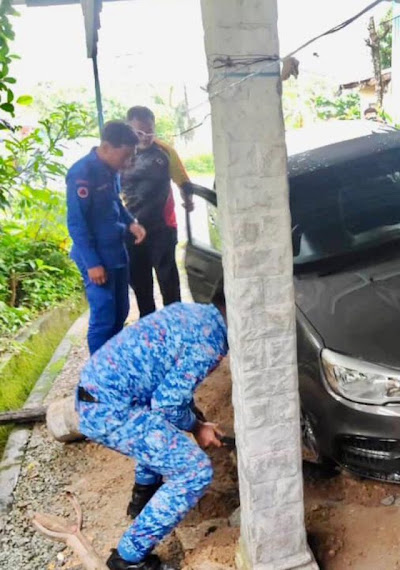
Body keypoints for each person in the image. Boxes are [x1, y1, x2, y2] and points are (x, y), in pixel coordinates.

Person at [75, 300, 228, 570]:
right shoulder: (212, 339)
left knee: (158, 428)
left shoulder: (196, 312)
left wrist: (193, 416)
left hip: (99, 392)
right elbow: (167, 404)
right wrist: (197, 427)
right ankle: (128, 558)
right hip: (108, 411)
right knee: (195, 471)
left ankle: (143, 498)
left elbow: (166, 385)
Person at [66, 121, 146, 355]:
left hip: (116, 252)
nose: (127, 163)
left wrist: (131, 223)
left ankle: (115, 364)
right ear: (107, 147)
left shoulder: (112, 171)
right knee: (104, 315)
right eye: (125, 156)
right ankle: (99, 378)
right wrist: (92, 263)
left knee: (121, 311)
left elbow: (115, 204)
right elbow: (76, 223)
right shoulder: (82, 173)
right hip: (96, 258)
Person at [121, 106, 196, 318]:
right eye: (140, 133)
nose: (146, 137)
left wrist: (187, 200)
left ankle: (176, 325)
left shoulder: (165, 152)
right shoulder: (123, 153)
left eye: (150, 132)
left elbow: (183, 181)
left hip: (162, 228)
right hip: (131, 231)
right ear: (130, 129)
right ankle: (151, 329)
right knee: (141, 285)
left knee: (169, 282)